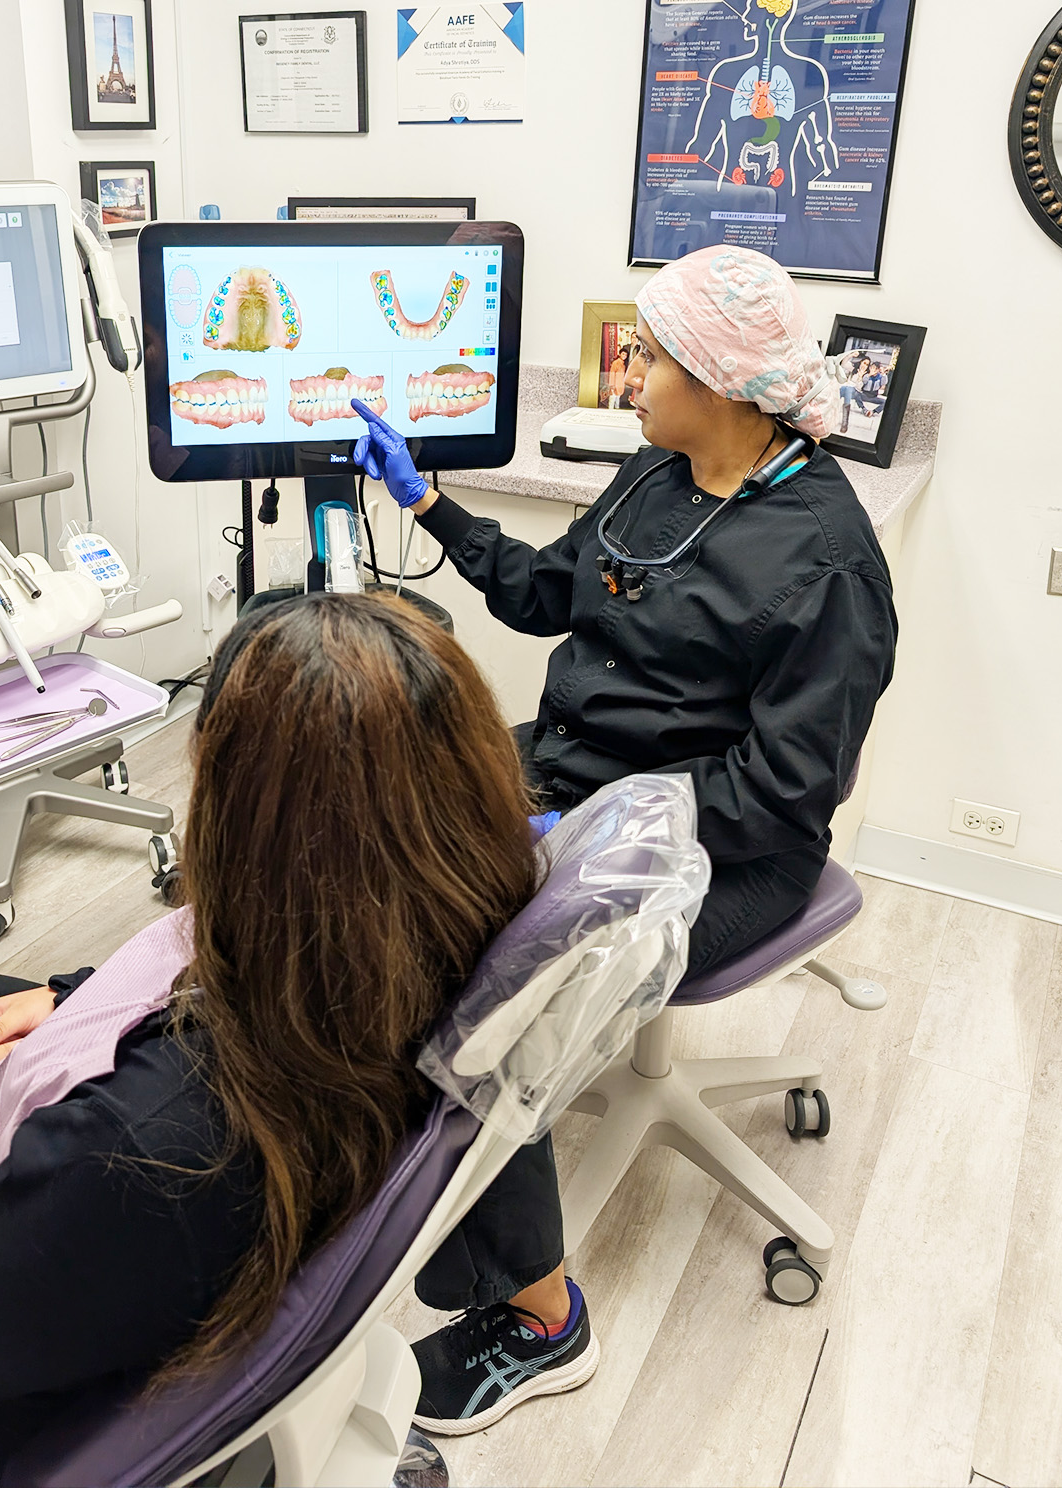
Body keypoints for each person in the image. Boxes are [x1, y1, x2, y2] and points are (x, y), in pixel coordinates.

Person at [0, 595, 591, 1488]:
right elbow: (194, 966)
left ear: (237, 820)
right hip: (118, 1245)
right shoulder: (441, 942)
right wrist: (70, 999)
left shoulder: (154, 1136)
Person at [354, 243, 896, 1432]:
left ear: (719, 381)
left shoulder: (825, 561)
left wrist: (593, 828)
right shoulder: (654, 474)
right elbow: (546, 594)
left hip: (725, 851)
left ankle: (541, 1320)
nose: (626, 376)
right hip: (570, 775)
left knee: (481, 977)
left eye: (647, 358)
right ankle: (357, 1147)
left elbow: (783, 792)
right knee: (371, 831)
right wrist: (429, 502)